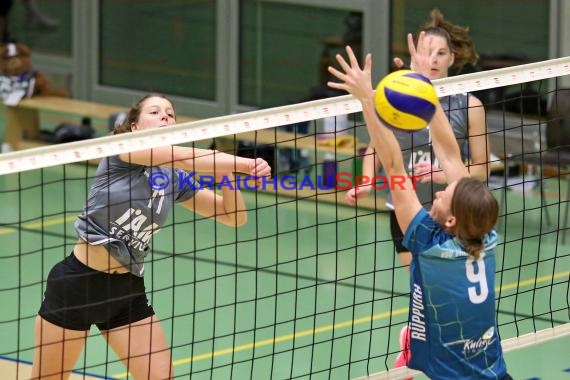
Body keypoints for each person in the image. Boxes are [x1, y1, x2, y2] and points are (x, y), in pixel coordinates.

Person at [31, 94, 272, 379]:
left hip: (126, 292)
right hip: (77, 286)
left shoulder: (173, 177)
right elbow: (182, 155)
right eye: (155, 112)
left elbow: (233, 217)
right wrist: (246, 163)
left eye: (170, 114)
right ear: (134, 127)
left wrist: (226, 172)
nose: (165, 117)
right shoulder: (122, 151)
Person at [327, 32, 511, 379]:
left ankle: (412, 338)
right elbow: (450, 154)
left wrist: (367, 98)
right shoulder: (484, 236)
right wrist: (425, 87)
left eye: (444, 196)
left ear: (453, 219)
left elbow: (394, 165)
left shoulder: (428, 241)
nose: (438, 193)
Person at [345, 9, 489, 271]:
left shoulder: (470, 106)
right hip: (405, 208)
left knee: (436, 280)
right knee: (419, 283)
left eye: (440, 53)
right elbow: (377, 149)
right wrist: (366, 182)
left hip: (455, 213)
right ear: (414, 57)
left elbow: (481, 169)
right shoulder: (394, 99)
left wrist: (444, 176)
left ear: (452, 58)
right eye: (426, 52)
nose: (432, 60)